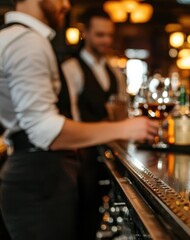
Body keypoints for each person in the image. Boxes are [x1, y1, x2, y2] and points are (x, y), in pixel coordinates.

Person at [0, 1, 159, 239]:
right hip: (40, 174)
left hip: (43, 172)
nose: (66, 4)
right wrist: (123, 128)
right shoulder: (27, 42)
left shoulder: (23, 38)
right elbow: (46, 131)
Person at [61, 8, 126, 239]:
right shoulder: (72, 69)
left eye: (109, 35)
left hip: (109, 156)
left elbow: (121, 110)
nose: (106, 40)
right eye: (100, 35)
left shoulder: (114, 71)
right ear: (85, 33)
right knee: (83, 221)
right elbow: (70, 119)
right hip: (82, 159)